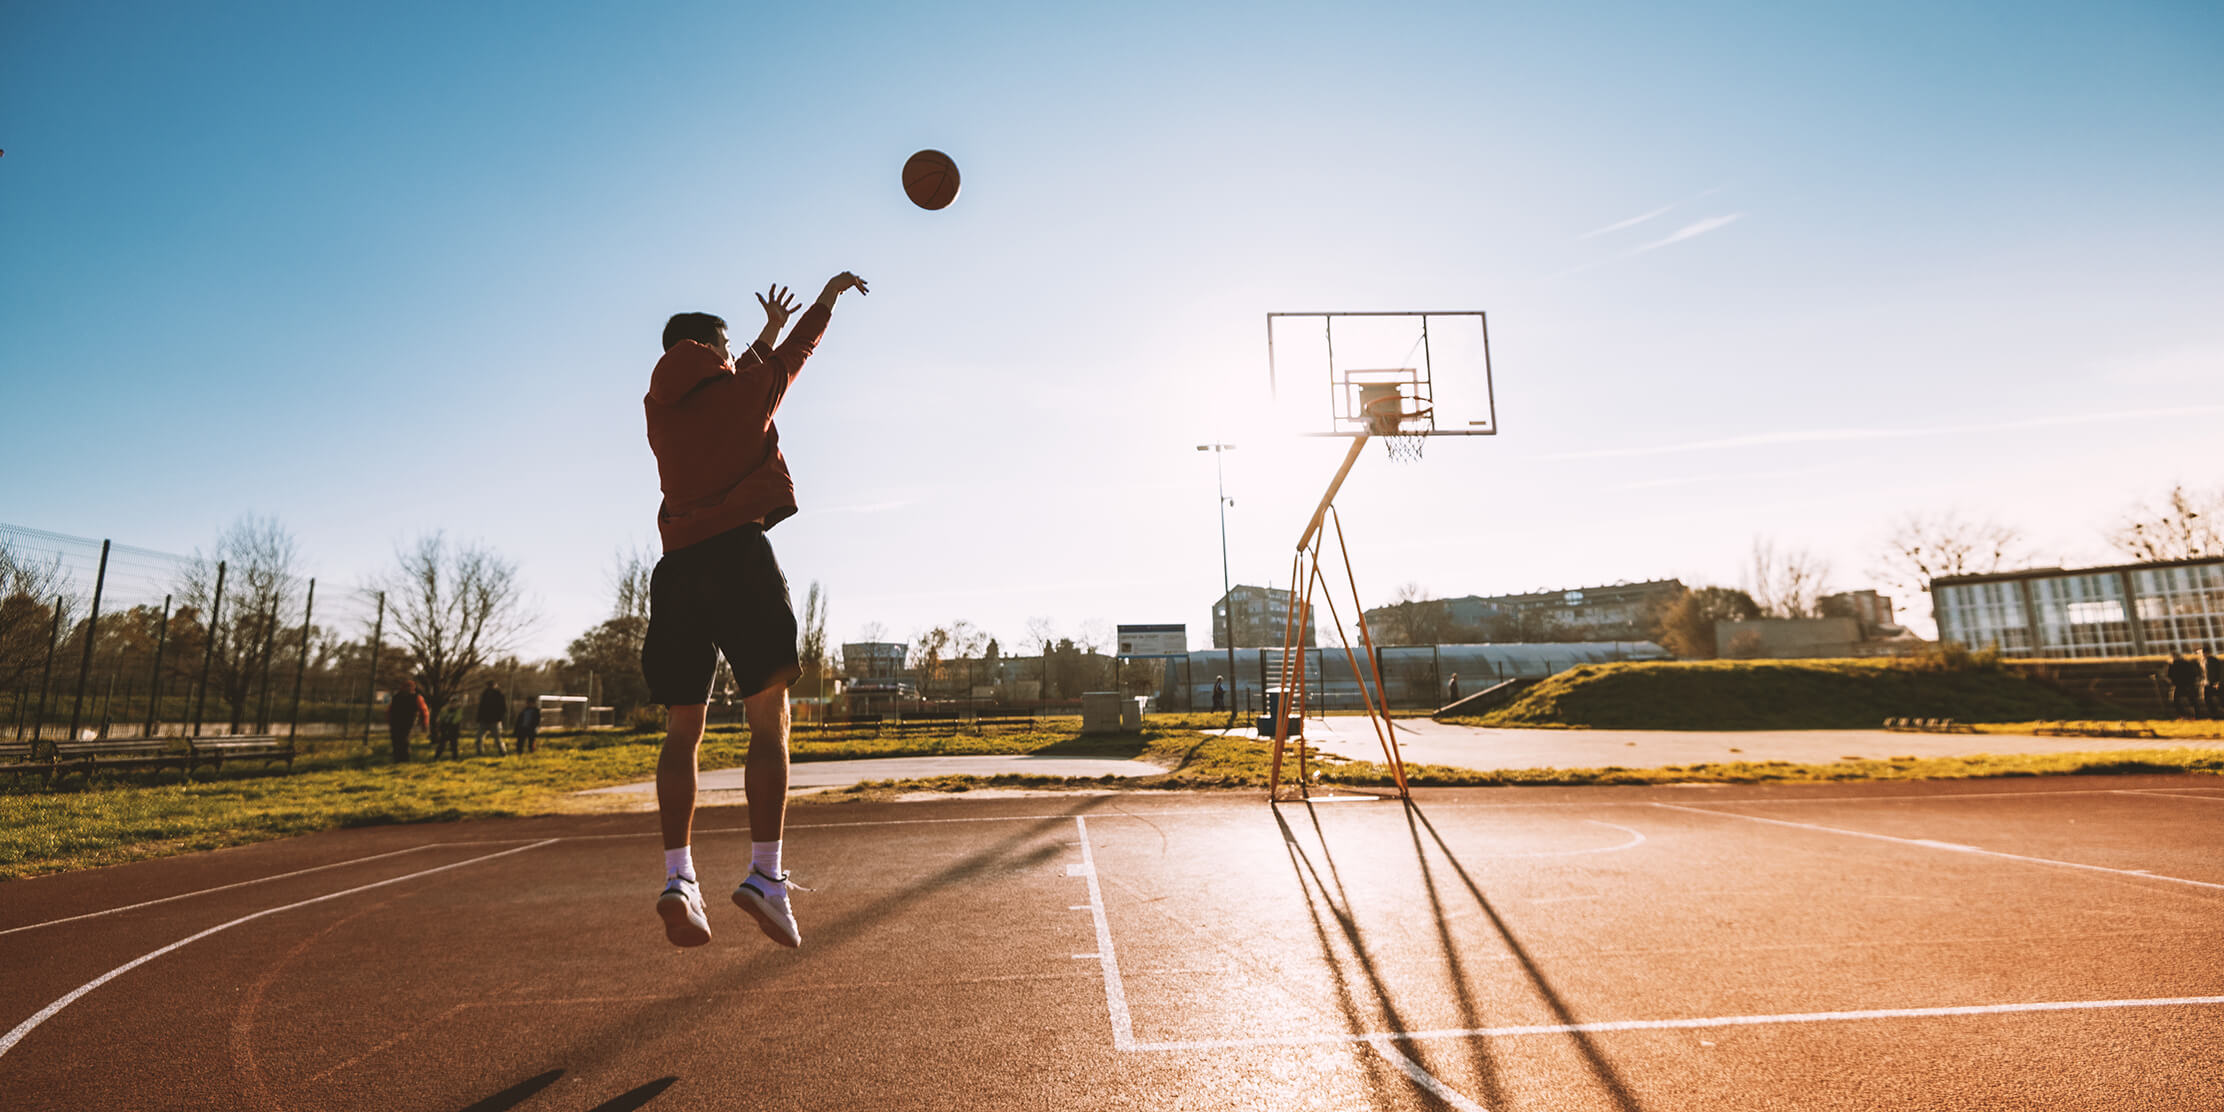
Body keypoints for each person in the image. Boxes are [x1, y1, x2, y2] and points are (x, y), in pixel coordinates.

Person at [642, 270, 867, 949]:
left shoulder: (658, 407)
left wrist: (756, 338)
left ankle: (679, 877)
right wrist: (824, 300)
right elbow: (791, 357)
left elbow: (742, 367)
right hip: (738, 558)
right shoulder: (744, 396)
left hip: (677, 570)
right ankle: (765, 876)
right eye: (728, 347)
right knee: (769, 720)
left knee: (684, 731)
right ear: (715, 352)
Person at [387, 678, 429, 762]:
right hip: (396, 721)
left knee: (403, 739)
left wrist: (424, 723)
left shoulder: (416, 697)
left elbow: (424, 711)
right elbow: (390, 710)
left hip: (408, 720)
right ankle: (399, 758)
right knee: (396, 739)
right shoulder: (397, 697)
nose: (407, 689)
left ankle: (404, 758)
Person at [2163, 651, 2205, 718]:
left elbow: (2192, 673)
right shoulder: (2173, 665)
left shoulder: (2182, 664)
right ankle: (2185, 714)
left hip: (2185, 684)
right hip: (2181, 685)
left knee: (2189, 700)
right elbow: (2168, 675)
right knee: (2178, 700)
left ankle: (2193, 714)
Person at [475, 682, 509, 756]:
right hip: (484, 720)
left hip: (495, 721)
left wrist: (499, 718)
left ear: (495, 685)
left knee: (498, 739)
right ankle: (479, 752)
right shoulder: (484, 694)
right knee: (479, 738)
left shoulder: (499, 695)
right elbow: (481, 707)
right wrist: (479, 718)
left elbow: (503, 708)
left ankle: (503, 752)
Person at [2204, 645, 2224, 718]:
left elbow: (2220, 672)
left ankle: (2216, 714)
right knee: (2209, 699)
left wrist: (2218, 682)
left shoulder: (2214, 661)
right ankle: (2214, 714)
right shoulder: (2206, 661)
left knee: (2216, 699)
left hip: (2214, 683)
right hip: (2209, 683)